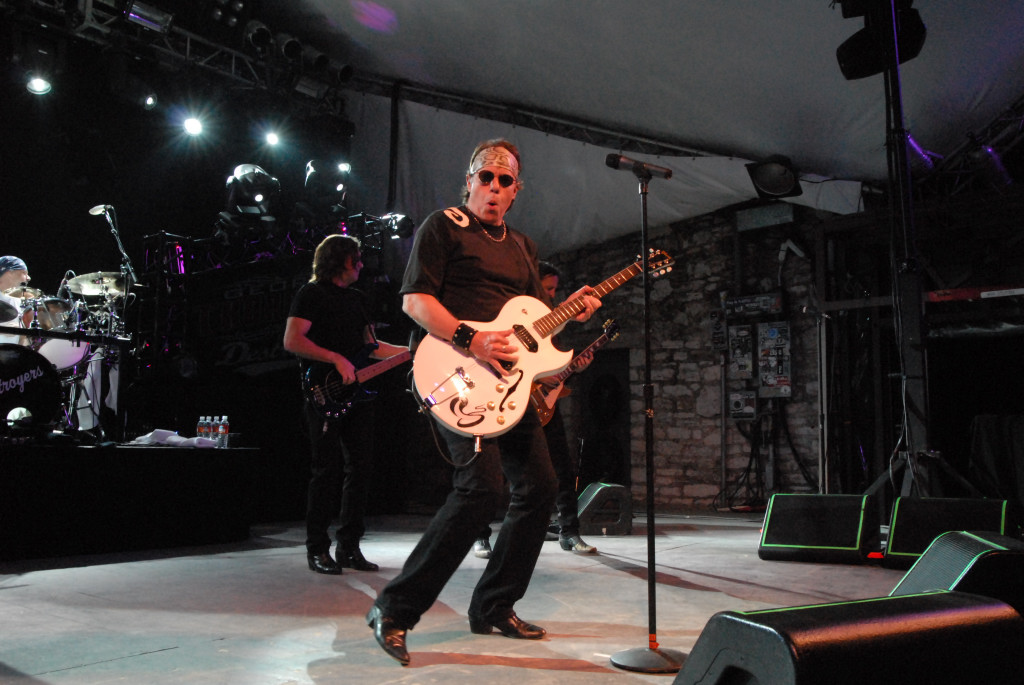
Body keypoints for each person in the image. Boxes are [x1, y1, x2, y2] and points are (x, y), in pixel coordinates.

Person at [366, 138, 601, 666]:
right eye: (485, 176)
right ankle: (394, 609)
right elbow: (414, 301)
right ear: (469, 181)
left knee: (540, 487)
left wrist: (570, 310)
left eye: (505, 180)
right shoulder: (444, 226)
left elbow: (532, 320)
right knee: (480, 488)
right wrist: (471, 338)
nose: (494, 186)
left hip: (508, 385)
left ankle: (494, 605)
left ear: (517, 190)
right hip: (454, 369)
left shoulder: (522, 245)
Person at [283, 234, 409, 576]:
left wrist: (410, 352)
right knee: (325, 471)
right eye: (357, 258)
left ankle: (349, 547)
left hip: (357, 394)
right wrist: (336, 358)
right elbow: (292, 340)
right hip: (322, 391)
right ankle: (317, 548)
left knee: (361, 469)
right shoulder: (311, 294)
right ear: (341, 260)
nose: (362, 265)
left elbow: (372, 347)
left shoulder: (358, 298)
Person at [472, 261, 597, 559]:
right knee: (490, 473)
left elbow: (550, 364)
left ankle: (569, 531)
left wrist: (572, 369)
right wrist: (542, 377)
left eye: (555, 290)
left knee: (562, 469)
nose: (552, 295)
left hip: (545, 405)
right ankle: (480, 536)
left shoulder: (553, 321)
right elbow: (510, 365)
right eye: (548, 288)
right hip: (511, 400)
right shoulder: (514, 317)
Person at [0, 256, 30, 345]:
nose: (28, 278)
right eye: (24, 273)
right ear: (9, 273)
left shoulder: (18, 300)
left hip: (11, 351)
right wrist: (4, 328)